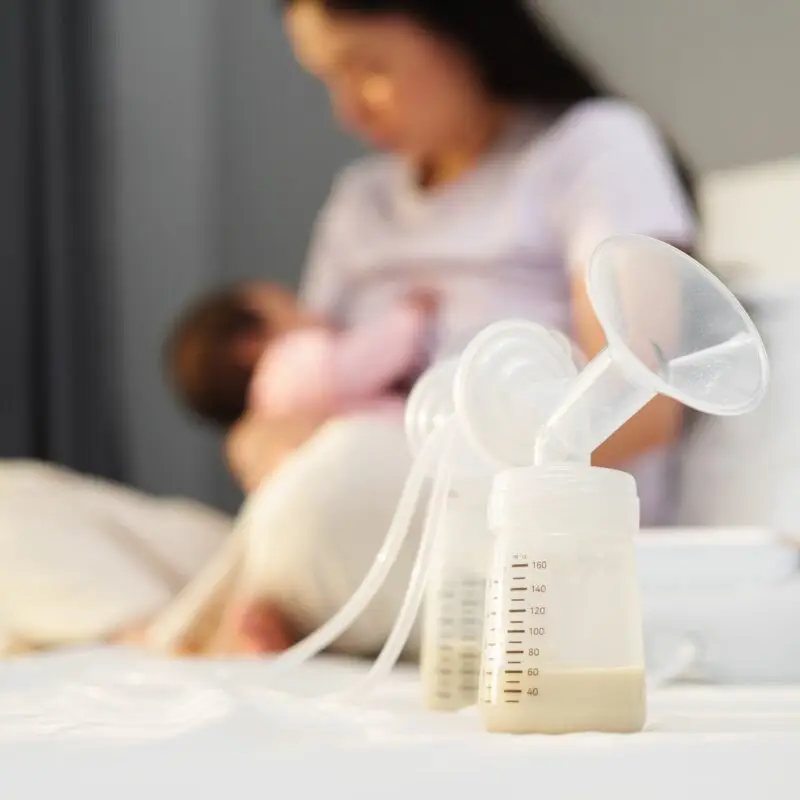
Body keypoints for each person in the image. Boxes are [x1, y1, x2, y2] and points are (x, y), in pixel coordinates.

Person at [181, 0, 699, 655]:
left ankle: (227, 616)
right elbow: (310, 386)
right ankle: (219, 612)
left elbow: (645, 406)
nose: (349, 111)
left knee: (337, 475)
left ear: (457, 23)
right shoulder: (359, 203)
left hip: (515, 525)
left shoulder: (592, 147)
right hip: (348, 510)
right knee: (17, 509)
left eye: (367, 68)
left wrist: (386, 447)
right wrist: (258, 442)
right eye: (327, 81)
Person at [165, 281, 437, 429]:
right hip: (408, 433)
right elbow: (354, 366)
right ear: (248, 345)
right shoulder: (284, 371)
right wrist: (409, 316)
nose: (306, 309)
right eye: (288, 303)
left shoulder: (273, 413)